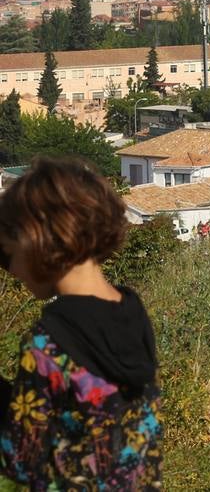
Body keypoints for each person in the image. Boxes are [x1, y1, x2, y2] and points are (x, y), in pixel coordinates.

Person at [0, 157, 162, 488]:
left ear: (35, 240)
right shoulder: (131, 311)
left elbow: (19, 459)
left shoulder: (47, 342)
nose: (12, 270)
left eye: (9, 254)